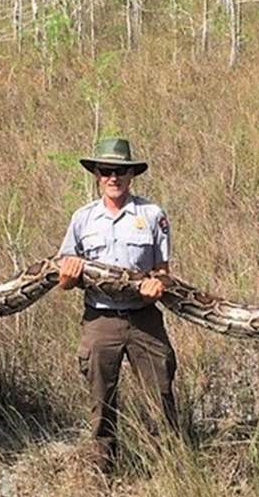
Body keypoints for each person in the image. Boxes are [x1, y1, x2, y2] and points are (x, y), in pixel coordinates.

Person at [57, 138, 178, 474]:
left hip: (144, 318)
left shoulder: (153, 215)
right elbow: (64, 280)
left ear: (131, 175)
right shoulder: (82, 219)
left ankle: (170, 466)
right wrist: (68, 275)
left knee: (161, 393)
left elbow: (165, 274)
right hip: (101, 318)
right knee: (101, 398)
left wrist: (159, 285)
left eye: (120, 171)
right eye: (106, 170)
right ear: (97, 174)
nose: (113, 177)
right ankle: (102, 469)